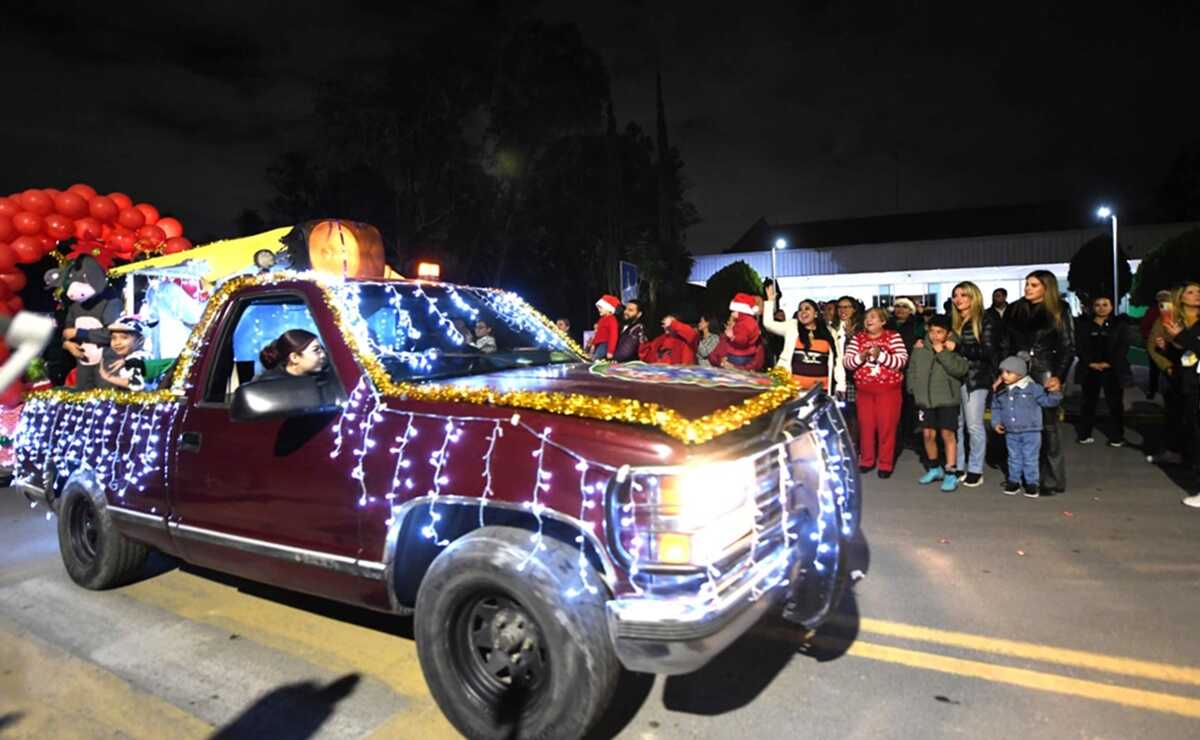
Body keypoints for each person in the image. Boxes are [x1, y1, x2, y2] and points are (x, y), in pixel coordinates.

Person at [1002, 270, 1073, 495]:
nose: (1028, 288)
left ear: (1046, 287)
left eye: (1034, 285)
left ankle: (1051, 480)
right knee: (1019, 425)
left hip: (1045, 370)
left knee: (1048, 427)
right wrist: (1004, 368)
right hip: (1017, 371)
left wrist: (1058, 376)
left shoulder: (1060, 309)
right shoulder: (1014, 309)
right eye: (1027, 284)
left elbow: (1067, 346)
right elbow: (1004, 342)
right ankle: (1022, 476)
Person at [950, 281, 1004, 487]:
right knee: (958, 425)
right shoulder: (955, 320)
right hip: (956, 378)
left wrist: (959, 347)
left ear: (974, 297)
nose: (959, 299)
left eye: (964, 295)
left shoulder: (986, 319)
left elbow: (988, 353)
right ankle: (959, 466)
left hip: (977, 378)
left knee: (974, 426)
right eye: (955, 295)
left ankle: (975, 469)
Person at [906, 315, 969, 491]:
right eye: (932, 331)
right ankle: (935, 468)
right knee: (928, 435)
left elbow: (960, 369)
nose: (935, 335)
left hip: (947, 399)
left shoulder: (954, 348)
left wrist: (942, 352)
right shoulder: (919, 348)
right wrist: (913, 388)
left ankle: (950, 472)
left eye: (940, 332)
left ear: (948, 334)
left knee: (948, 435)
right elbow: (912, 370)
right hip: (925, 399)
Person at [844, 307, 908, 478]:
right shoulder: (858, 338)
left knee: (886, 426)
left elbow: (901, 361)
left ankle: (885, 463)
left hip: (888, 391)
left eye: (873, 317)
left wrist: (880, 356)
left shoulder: (893, 337)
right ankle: (867, 460)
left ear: (883, 322)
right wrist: (861, 357)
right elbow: (847, 363)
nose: (868, 320)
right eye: (866, 317)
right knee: (866, 426)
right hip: (864, 391)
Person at [992, 354, 1063, 497]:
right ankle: (1014, 481)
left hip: (1031, 431)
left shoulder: (1033, 388)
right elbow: (996, 407)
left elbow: (1047, 402)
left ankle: (1032, 483)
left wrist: (1055, 392)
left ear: (1019, 373)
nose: (1003, 376)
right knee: (1013, 457)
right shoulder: (1002, 390)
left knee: (1030, 457)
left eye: (1008, 372)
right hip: (1011, 431)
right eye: (1002, 372)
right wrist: (996, 422)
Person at [1159, 282, 1200, 507]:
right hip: (1187, 383)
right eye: (1192, 292)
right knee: (1191, 430)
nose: (1197, 296)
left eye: (1199, 292)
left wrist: (1183, 337)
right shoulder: (1175, 319)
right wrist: (1168, 346)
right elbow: (1185, 353)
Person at [1074, 296, 1132, 447]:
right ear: (1093, 307)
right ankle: (1084, 435)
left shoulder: (1120, 325)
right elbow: (1079, 346)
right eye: (1097, 304)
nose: (1101, 307)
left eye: (1105, 304)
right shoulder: (1085, 325)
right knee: (1088, 403)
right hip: (1090, 370)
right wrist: (1090, 363)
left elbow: (1123, 346)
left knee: (1115, 404)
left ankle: (1117, 437)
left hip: (1113, 370)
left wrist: (1109, 363)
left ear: (1112, 306)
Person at [764, 283, 834, 391]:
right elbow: (768, 324)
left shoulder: (829, 332)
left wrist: (840, 385)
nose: (803, 312)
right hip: (794, 389)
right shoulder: (792, 326)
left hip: (821, 390)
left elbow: (837, 361)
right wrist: (770, 302)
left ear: (815, 314)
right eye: (800, 309)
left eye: (807, 309)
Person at [708, 293, 765, 371]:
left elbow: (756, 364)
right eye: (730, 319)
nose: (730, 322)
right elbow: (712, 356)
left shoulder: (754, 340)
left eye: (735, 321)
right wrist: (721, 362)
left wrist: (735, 368)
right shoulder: (725, 337)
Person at [96, 315, 152, 391]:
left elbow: (137, 384)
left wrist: (108, 377)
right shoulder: (140, 356)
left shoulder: (136, 359)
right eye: (114, 338)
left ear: (140, 340)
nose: (117, 343)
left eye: (124, 337)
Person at [256, 329, 327, 380]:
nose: (323, 355)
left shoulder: (326, 375)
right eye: (316, 350)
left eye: (322, 348)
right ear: (294, 357)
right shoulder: (270, 385)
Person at [1140, 291, 1171, 400]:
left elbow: (1144, 327)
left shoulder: (1154, 310)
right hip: (1159, 344)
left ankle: (1154, 391)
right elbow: (1145, 327)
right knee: (1161, 369)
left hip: (1164, 344)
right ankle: (1157, 391)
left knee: (1157, 370)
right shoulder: (1155, 310)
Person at [589, 295, 620, 360]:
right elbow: (597, 334)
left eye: (601, 308)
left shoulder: (612, 320)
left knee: (595, 360)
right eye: (598, 308)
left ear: (609, 309)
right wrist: (593, 344)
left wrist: (610, 351)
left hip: (605, 345)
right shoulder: (601, 319)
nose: (599, 309)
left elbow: (613, 336)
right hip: (599, 345)